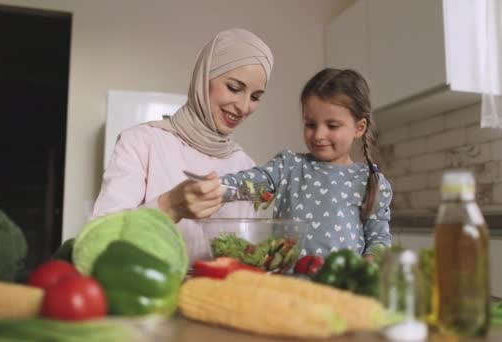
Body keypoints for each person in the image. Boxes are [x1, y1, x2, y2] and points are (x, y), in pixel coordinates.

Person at [91, 28, 274, 262]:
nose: (244, 106)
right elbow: (99, 240)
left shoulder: (245, 166)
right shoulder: (141, 142)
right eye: (234, 88)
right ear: (204, 77)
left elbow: (244, 253)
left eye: (256, 97)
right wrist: (170, 206)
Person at [219, 68, 392, 259]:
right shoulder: (288, 166)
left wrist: (369, 264)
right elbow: (253, 186)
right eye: (310, 124)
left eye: (332, 126)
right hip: (286, 285)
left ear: (359, 128)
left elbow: (378, 239)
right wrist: (218, 188)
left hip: (340, 286)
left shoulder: (369, 182)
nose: (318, 135)